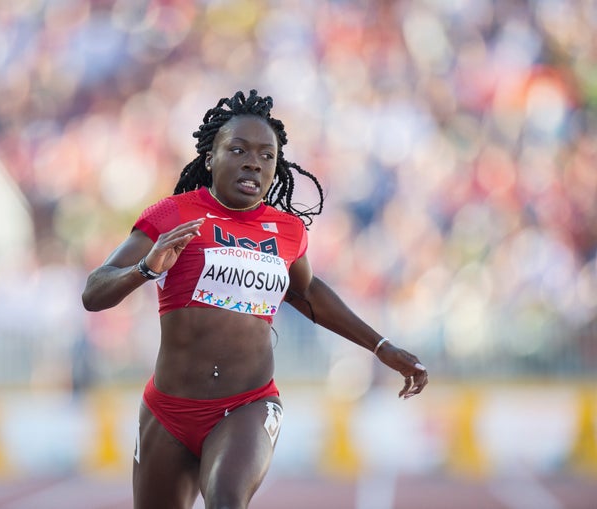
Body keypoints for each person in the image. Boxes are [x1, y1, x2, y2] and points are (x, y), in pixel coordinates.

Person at [81, 89, 428, 509]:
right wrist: (147, 269)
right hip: (168, 410)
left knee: (227, 500)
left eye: (267, 155)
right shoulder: (171, 214)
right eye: (239, 149)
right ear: (210, 157)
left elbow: (308, 293)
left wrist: (381, 346)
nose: (254, 162)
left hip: (247, 404)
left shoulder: (287, 231)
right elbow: (94, 292)